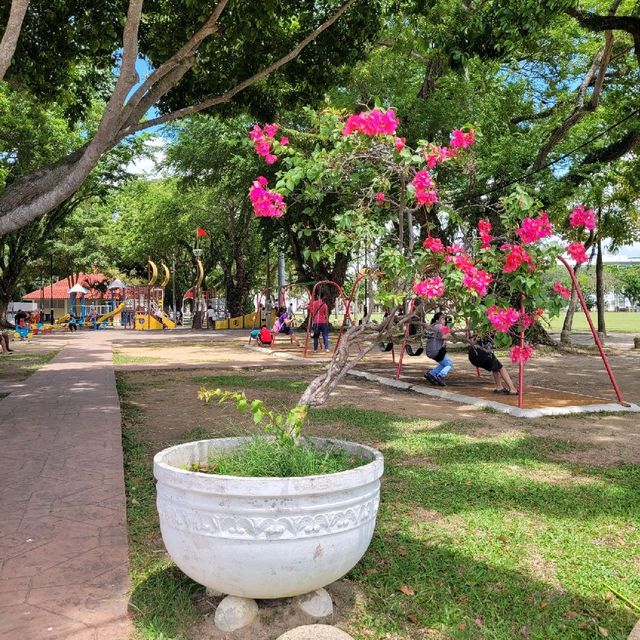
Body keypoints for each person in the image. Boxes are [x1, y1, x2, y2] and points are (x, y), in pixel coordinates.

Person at [424, 312, 453, 386]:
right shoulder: (439, 326)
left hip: (430, 351)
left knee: (444, 364)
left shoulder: (432, 326)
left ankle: (432, 373)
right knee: (449, 363)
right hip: (436, 351)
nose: (444, 320)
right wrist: (449, 331)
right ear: (437, 320)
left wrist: (448, 326)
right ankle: (440, 376)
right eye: (443, 318)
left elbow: (443, 334)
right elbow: (444, 337)